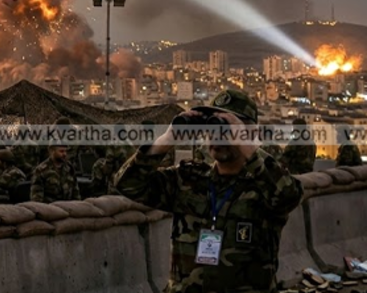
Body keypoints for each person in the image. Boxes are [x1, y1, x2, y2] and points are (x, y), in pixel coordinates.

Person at [114, 89, 303, 293]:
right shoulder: (189, 180)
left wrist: (247, 144)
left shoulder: (264, 185)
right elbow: (128, 184)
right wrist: (168, 138)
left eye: (225, 129)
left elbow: (288, 196)